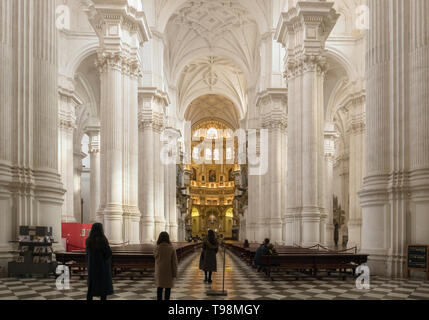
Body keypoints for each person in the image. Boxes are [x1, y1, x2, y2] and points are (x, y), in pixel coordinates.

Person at [85, 223, 114, 301]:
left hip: (92, 267)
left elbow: (87, 253)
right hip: (102, 267)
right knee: (103, 288)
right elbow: (108, 253)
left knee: (91, 287)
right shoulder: (102, 240)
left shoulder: (88, 240)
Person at [154, 232, 178, 301]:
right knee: (168, 289)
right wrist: (174, 273)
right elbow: (174, 262)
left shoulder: (157, 248)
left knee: (159, 288)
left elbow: (155, 257)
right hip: (168, 271)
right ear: (168, 238)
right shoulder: (171, 248)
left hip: (159, 271)